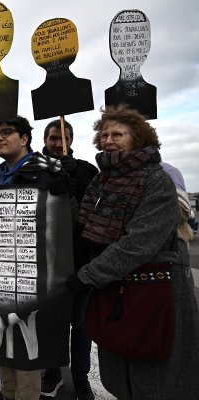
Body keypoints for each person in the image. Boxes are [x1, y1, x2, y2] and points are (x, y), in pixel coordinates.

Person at [67, 105, 199, 399]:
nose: (108, 140)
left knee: (156, 378)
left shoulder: (156, 180)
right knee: (124, 374)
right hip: (116, 292)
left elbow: (139, 242)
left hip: (154, 293)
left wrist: (88, 275)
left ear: (138, 138)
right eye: (104, 135)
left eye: (118, 134)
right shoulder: (103, 180)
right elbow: (86, 229)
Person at [0, 116, 68, 400]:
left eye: (7, 133)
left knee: (27, 345)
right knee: (3, 339)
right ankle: (7, 394)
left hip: (34, 274)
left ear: (25, 138)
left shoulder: (47, 170)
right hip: (0, 268)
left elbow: (66, 222)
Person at [40, 120, 98, 400]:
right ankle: (52, 372)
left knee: (82, 324)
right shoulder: (34, 169)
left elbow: (100, 208)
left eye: (64, 138)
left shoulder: (86, 169)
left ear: (72, 140)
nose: (58, 143)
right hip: (47, 264)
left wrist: (80, 183)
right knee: (53, 323)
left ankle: (80, 377)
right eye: (53, 138)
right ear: (45, 139)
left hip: (81, 261)